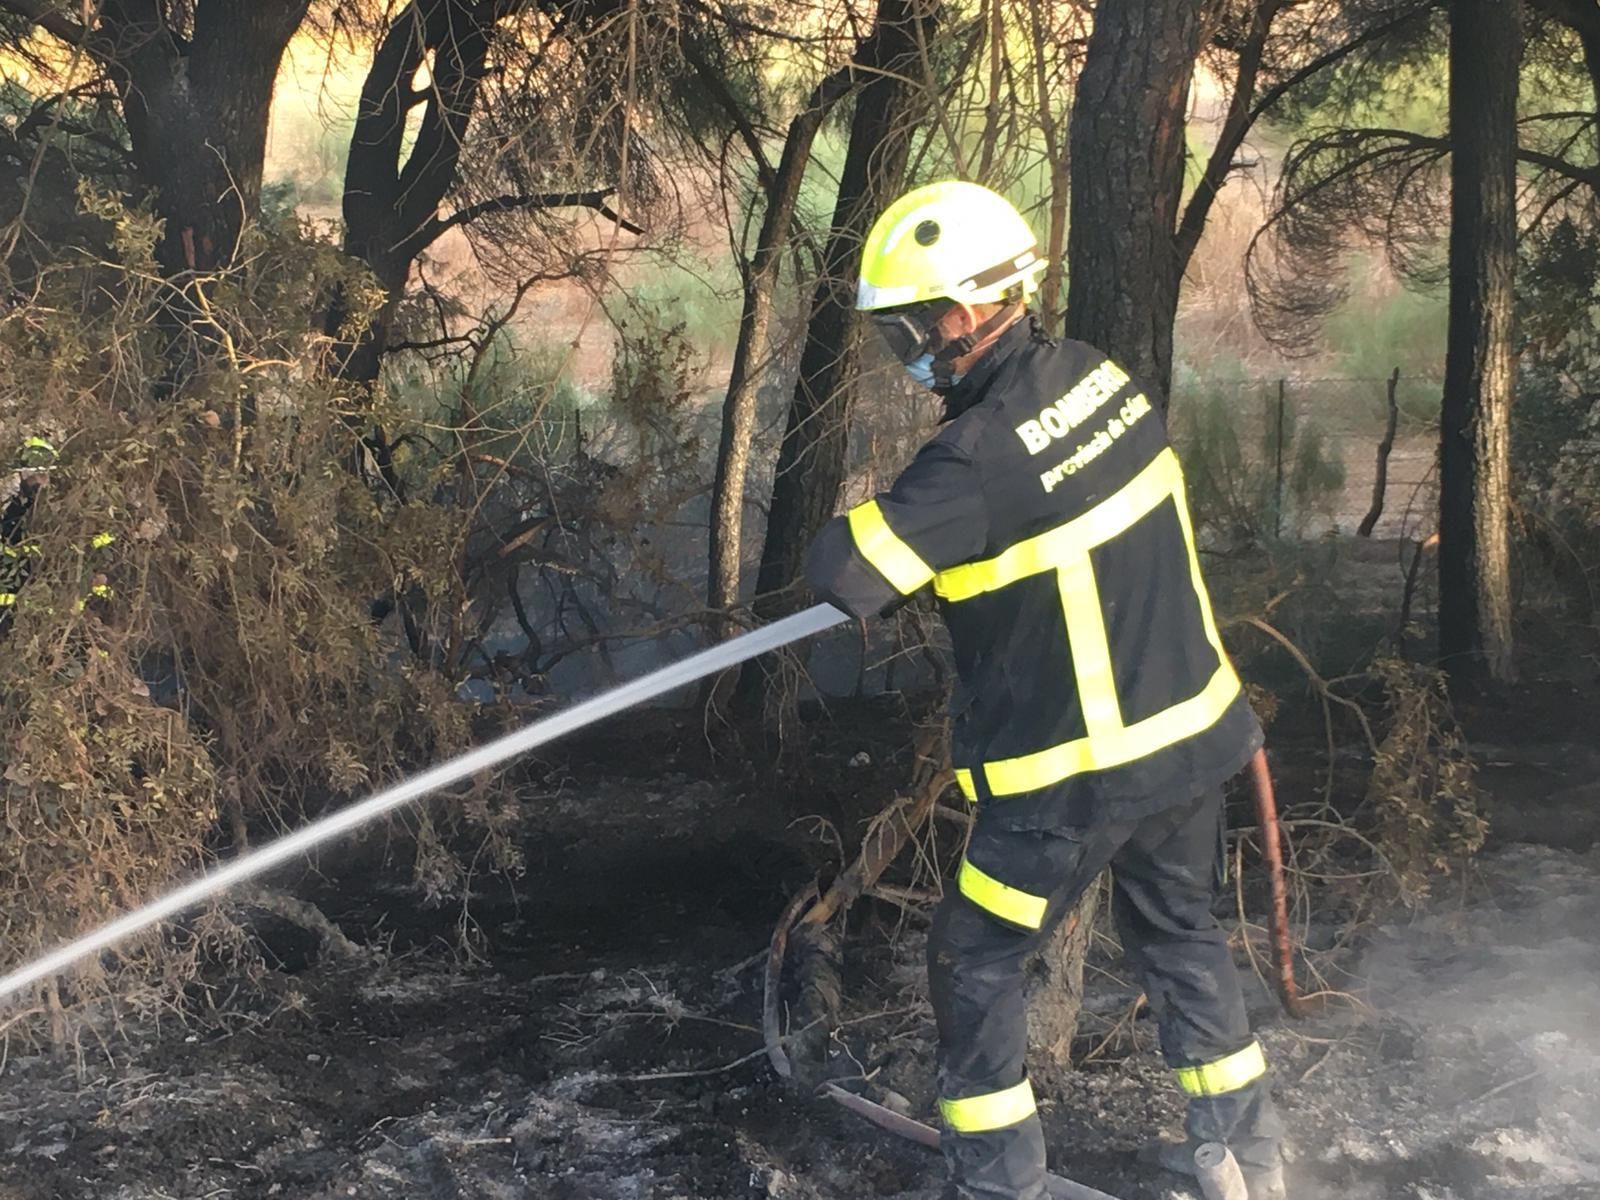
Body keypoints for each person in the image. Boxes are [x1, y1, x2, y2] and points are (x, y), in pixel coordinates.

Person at [803, 181, 1286, 1200]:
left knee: (974, 957)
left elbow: (846, 574)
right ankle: (1247, 1154)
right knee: (1180, 937)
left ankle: (998, 1180)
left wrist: (863, 518)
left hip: (1075, 784)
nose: (909, 352)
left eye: (910, 328)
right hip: (1190, 742)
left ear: (965, 313)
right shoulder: (1097, 379)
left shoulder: (972, 459)